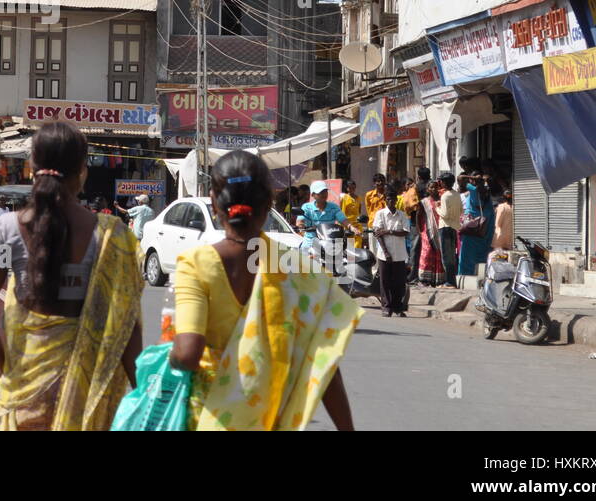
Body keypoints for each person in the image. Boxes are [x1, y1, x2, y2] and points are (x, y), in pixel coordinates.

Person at [169, 150, 361, 431]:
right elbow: (325, 361)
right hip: (270, 418)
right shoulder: (297, 268)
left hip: (209, 418)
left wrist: (167, 355)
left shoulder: (196, 265)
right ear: (270, 202)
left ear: (214, 202)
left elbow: (186, 355)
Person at [0, 121, 143, 431]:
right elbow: (127, 326)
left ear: (32, 166)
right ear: (82, 170)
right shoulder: (113, 236)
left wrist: (9, 368)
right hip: (87, 399)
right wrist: (144, 397)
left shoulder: (5, 229)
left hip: (24, 392)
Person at [371, 181, 411, 317]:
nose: (391, 201)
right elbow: (378, 234)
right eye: (388, 199)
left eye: (393, 199)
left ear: (396, 200)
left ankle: (398, 307)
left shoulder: (402, 215)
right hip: (384, 253)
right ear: (385, 200)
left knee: (399, 282)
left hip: (399, 254)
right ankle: (386, 307)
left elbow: (406, 232)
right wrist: (386, 252)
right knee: (385, 281)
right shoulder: (380, 214)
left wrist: (389, 231)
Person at [458, 173, 497, 277]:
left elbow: (460, 178)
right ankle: (481, 277)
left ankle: (465, 277)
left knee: (467, 256)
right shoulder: (486, 192)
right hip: (486, 228)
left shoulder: (473, 190)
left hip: (473, 228)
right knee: (483, 254)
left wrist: (472, 178)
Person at [416, 180, 446, 287]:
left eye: (435, 187)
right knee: (427, 253)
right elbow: (418, 216)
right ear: (428, 189)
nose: (433, 189)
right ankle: (424, 279)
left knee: (439, 253)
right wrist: (420, 231)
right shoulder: (424, 202)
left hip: (440, 230)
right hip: (427, 231)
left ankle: (438, 279)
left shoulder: (442, 200)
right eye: (431, 187)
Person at [436, 173, 462, 288]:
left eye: (441, 181)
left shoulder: (445, 196)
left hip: (445, 227)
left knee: (446, 256)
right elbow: (461, 210)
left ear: (444, 182)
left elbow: (445, 214)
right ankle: (451, 280)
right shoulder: (457, 194)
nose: (440, 183)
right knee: (452, 255)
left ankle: (449, 281)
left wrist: (437, 208)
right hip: (455, 227)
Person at [408, 167, 431, 283]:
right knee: (429, 248)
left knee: (415, 248)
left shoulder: (415, 188)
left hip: (416, 221)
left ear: (419, 176)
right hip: (431, 221)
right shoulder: (433, 186)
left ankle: (413, 275)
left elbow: (410, 206)